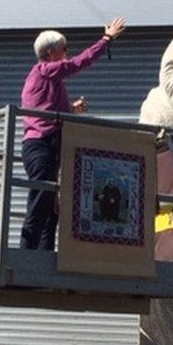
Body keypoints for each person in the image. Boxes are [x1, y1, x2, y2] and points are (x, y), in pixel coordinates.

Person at [19, 17, 127, 250]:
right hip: (41, 143)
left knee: (49, 205)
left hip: (47, 143)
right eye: (63, 49)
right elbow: (80, 62)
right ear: (50, 52)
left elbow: (45, 109)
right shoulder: (44, 70)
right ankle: (25, 252)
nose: (67, 53)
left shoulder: (47, 77)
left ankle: (42, 257)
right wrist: (106, 39)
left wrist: (71, 110)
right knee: (41, 198)